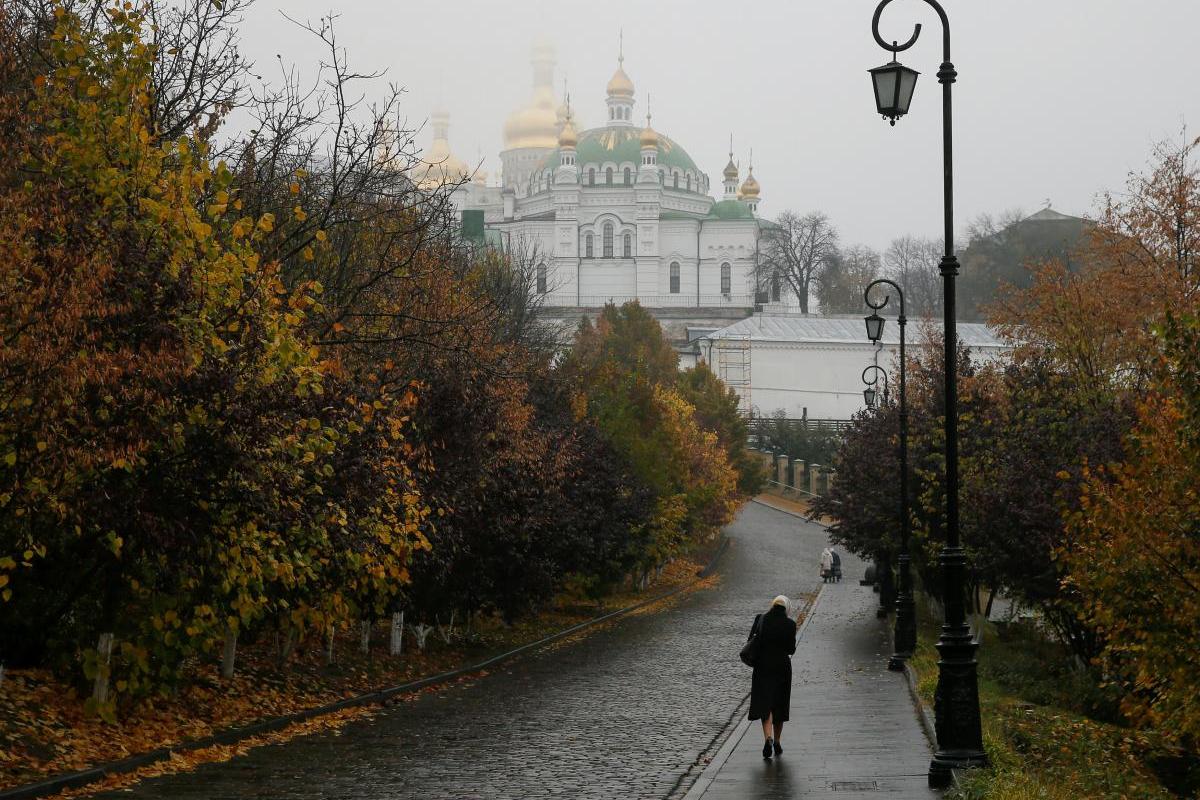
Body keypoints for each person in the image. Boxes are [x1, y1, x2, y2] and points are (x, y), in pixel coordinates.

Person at [746, 595, 799, 759]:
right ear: (786, 608)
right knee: (779, 703)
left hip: (763, 667)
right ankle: (777, 741)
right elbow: (791, 649)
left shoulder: (761, 619)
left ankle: (767, 737)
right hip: (782, 667)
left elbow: (750, 641)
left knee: (766, 703)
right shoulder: (790, 624)